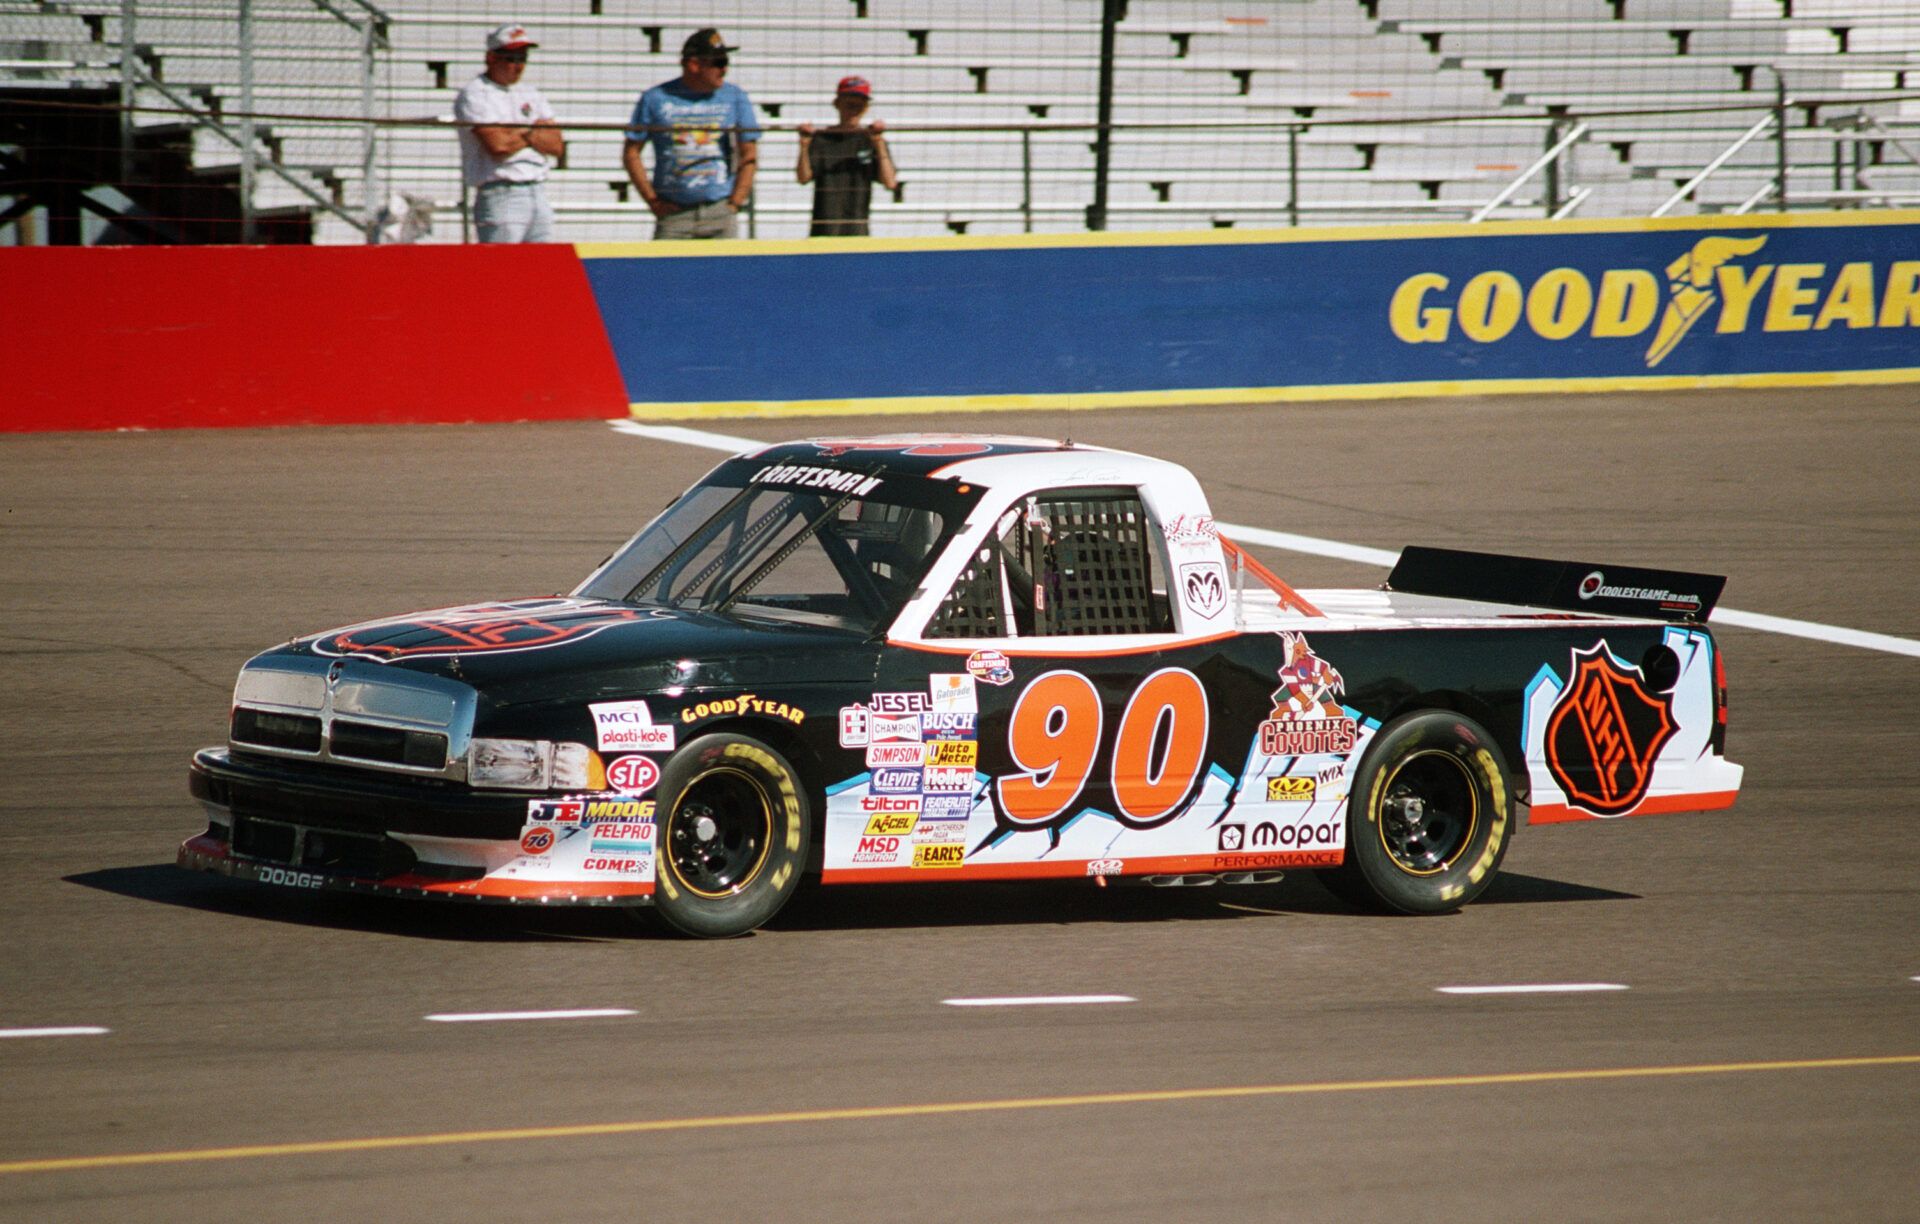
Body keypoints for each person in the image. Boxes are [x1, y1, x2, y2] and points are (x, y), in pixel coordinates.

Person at [624, 28, 761, 240]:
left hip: (720, 211)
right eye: (718, 62)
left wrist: (735, 202)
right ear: (694, 65)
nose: (724, 69)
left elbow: (750, 152)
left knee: (726, 273)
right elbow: (631, 152)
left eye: (725, 61)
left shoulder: (735, 96)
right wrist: (652, 201)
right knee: (665, 272)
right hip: (674, 214)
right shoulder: (655, 98)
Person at [454, 23, 564, 243]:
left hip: (537, 188)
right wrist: (532, 131)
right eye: (511, 58)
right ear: (492, 58)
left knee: (542, 266)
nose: (518, 66)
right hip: (501, 191)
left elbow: (556, 145)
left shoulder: (531, 93)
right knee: (502, 268)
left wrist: (516, 131)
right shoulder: (475, 93)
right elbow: (498, 146)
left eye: (522, 58)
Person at [796, 76, 899, 237]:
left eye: (859, 106)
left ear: (866, 108)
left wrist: (878, 142)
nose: (854, 110)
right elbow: (803, 178)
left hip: (857, 228)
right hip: (824, 229)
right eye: (849, 105)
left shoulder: (871, 140)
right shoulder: (822, 138)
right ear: (837, 104)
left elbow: (890, 182)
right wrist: (803, 146)